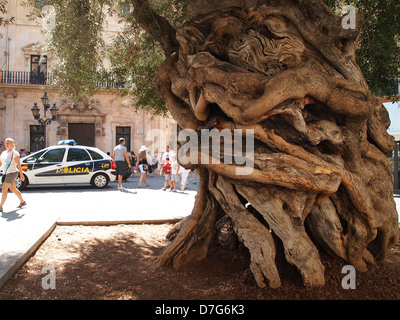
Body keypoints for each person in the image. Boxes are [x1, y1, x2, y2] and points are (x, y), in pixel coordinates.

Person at [0, 138, 27, 213]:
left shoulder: (15, 153)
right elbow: (1, 163)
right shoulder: (4, 153)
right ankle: (22, 201)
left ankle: (0, 206)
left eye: (8, 143)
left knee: (4, 189)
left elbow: (19, 165)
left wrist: (21, 175)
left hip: (12, 173)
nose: (7, 144)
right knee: (13, 189)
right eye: (6, 143)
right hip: (5, 173)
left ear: (12, 144)